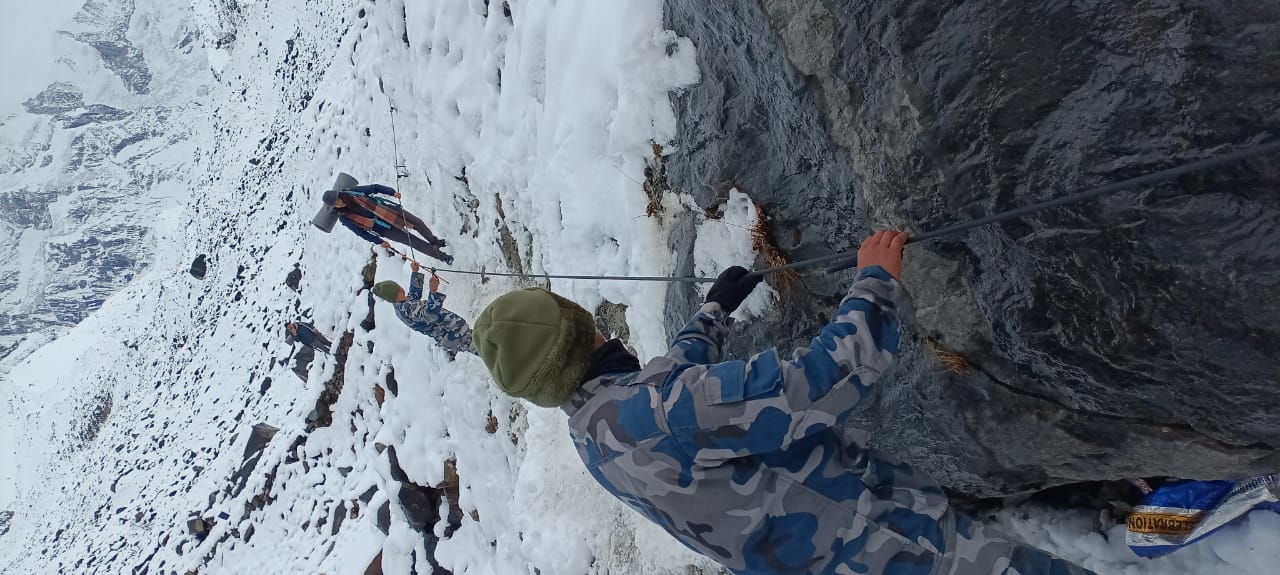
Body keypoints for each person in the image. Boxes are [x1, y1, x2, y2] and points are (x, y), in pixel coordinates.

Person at [471, 231, 1094, 575]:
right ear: (580, 334)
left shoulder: (592, 430)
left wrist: (713, 312)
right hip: (895, 550)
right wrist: (875, 279)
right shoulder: (660, 410)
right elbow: (820, 382)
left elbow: (671, 397)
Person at [322, 184, 453, 265]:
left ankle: (434, 241)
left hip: (389, 211)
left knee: (418, 222)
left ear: (339, 195)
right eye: (335, 204)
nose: (339, 203)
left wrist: (391, 192)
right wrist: (379, 241)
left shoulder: (352, 192)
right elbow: (361, 233)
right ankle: (442, 256)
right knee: (414, 242)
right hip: (384, 229)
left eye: (337, 199)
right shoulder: (344, 218)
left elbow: (374, 188)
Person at [371, 262, 476, 359]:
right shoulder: (407, 309)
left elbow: (414, 295)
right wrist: (433, 292)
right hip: (454, 335)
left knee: (479, 339)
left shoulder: (402, 303)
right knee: (481, 346)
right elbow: (430, 315)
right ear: (399, 289)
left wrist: (415, 273)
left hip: (455, 331)